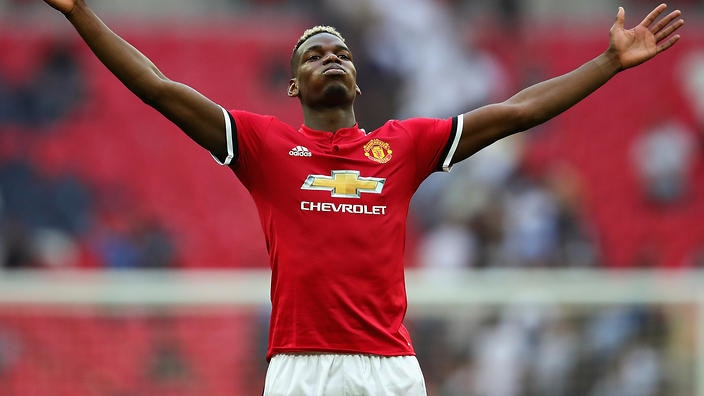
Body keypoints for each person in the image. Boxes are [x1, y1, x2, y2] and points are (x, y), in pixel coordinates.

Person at [41, 1, 684, 394]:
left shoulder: (403, 147)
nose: (332, 58)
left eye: (341, 51)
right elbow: (157, 87)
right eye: (315, 54)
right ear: (293, 84)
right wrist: (81, 14)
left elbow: (514, 111)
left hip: (388, 369)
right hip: (299, 369)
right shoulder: (264, 146)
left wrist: (606, 63)